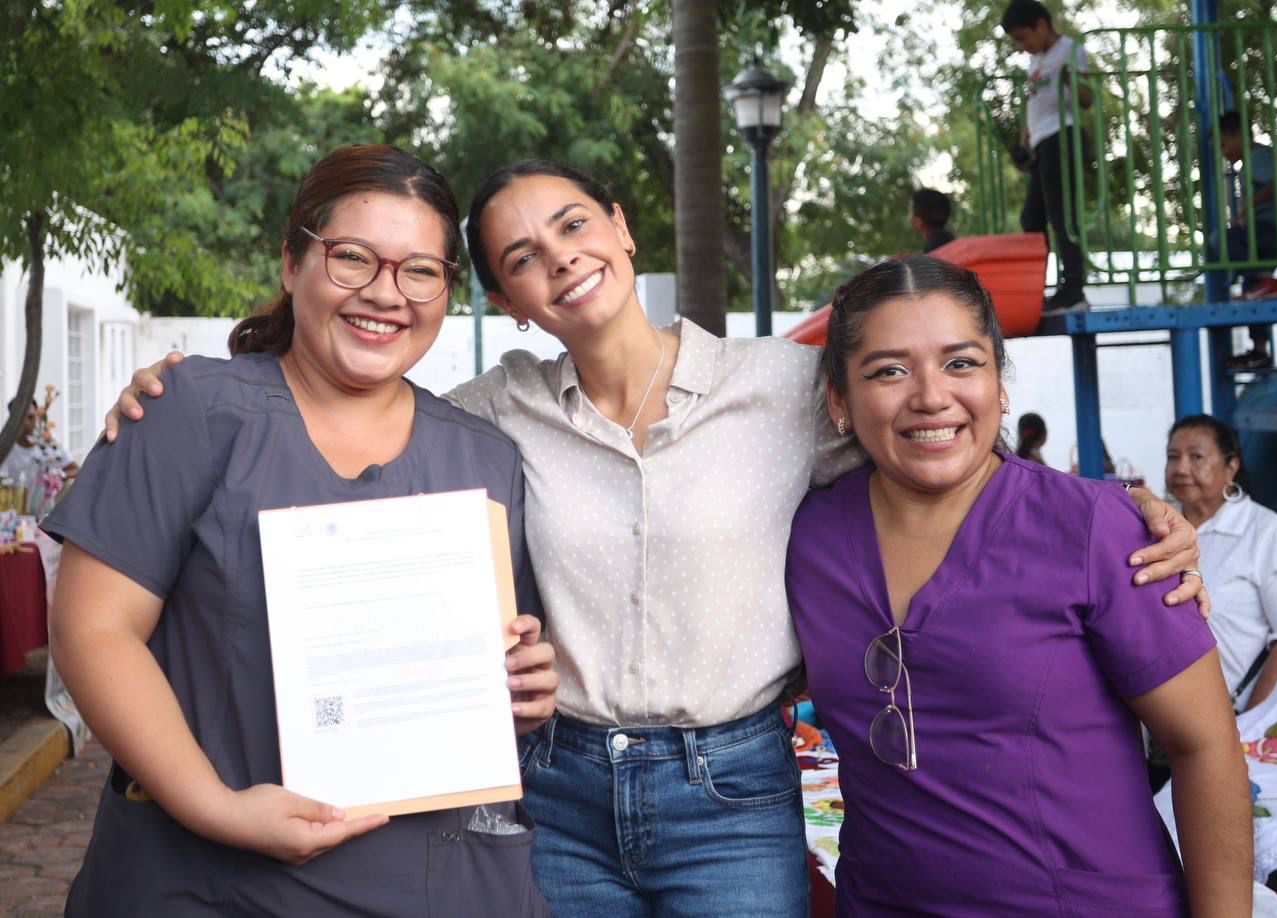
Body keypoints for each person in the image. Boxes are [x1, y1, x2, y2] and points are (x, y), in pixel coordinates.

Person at [105, 159, 1208, 918]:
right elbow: (345, 429)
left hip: (729, 788)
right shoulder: (480, 419)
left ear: (622, 227)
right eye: (522, 256)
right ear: (506, 297)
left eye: (574, 224)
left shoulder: (782, 389)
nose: (560, 259)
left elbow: (926, 434)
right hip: (558, 783)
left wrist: (1129, 511)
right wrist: (183, 389)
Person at [44, 145, 557, 917]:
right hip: (204, 882)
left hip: (441, 884)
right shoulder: (189, 411)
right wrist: (214, 806)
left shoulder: (485, 455)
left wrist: (524, 682)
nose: (387, 294)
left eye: (421, 270)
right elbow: (93, 629)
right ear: (291, 262)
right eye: (353, 258)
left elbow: (488, 658)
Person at [786, 255, 1250, 916]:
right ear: (839, 399)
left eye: (961, 363)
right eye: (889, 370)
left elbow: (1203, 745)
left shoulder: (1096, 529)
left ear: (1000, 386)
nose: (930, 395)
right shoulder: (809, 538)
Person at [1166, 414, 1277, 711]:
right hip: (1160, 724)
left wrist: (1248, 727)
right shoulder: (1158, 529)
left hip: (1233, 720)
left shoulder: (1266, 532)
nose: (1181, 468)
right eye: (1173, 457)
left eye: (1197, 457)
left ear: (1231, 467)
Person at [1002, 0, 1093, 314]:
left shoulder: (1069, 49)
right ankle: (1034, 288)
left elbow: (1086, 99)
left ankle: (1074, 288)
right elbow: (1035, 104)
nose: (1021, 46)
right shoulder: (1036, 61)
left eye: (1023, 37)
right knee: (1032, 217)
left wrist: (1071, 79)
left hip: (1062, 136)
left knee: (1061, 214)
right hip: (1040, 141)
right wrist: (1024, 142)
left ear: (1042, 25)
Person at [1218, 111, 1277, 370]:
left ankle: (1265, 279)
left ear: (1238, 136)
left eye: (1223, 144)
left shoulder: (1258, 157)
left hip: (1270, 228)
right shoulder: (1249, 163)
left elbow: (1274, 184)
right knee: (1253, 290)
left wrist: (1246, 210)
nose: (1223, 152)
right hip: (1262, 229)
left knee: (1227, 241)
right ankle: (1260, 350)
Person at [1, 397, 79, 484]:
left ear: (38, 416)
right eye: (20, 417)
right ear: (12, 419)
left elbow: (75, 469)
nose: (26, 423)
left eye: (31, 417)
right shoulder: (4, 444)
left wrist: (59, 476)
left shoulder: (49, 440)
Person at [909, 188, 955, 253]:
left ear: (919, 221)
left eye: (910, 212)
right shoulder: (950, 242)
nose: (910, 218)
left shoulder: (932, 252)